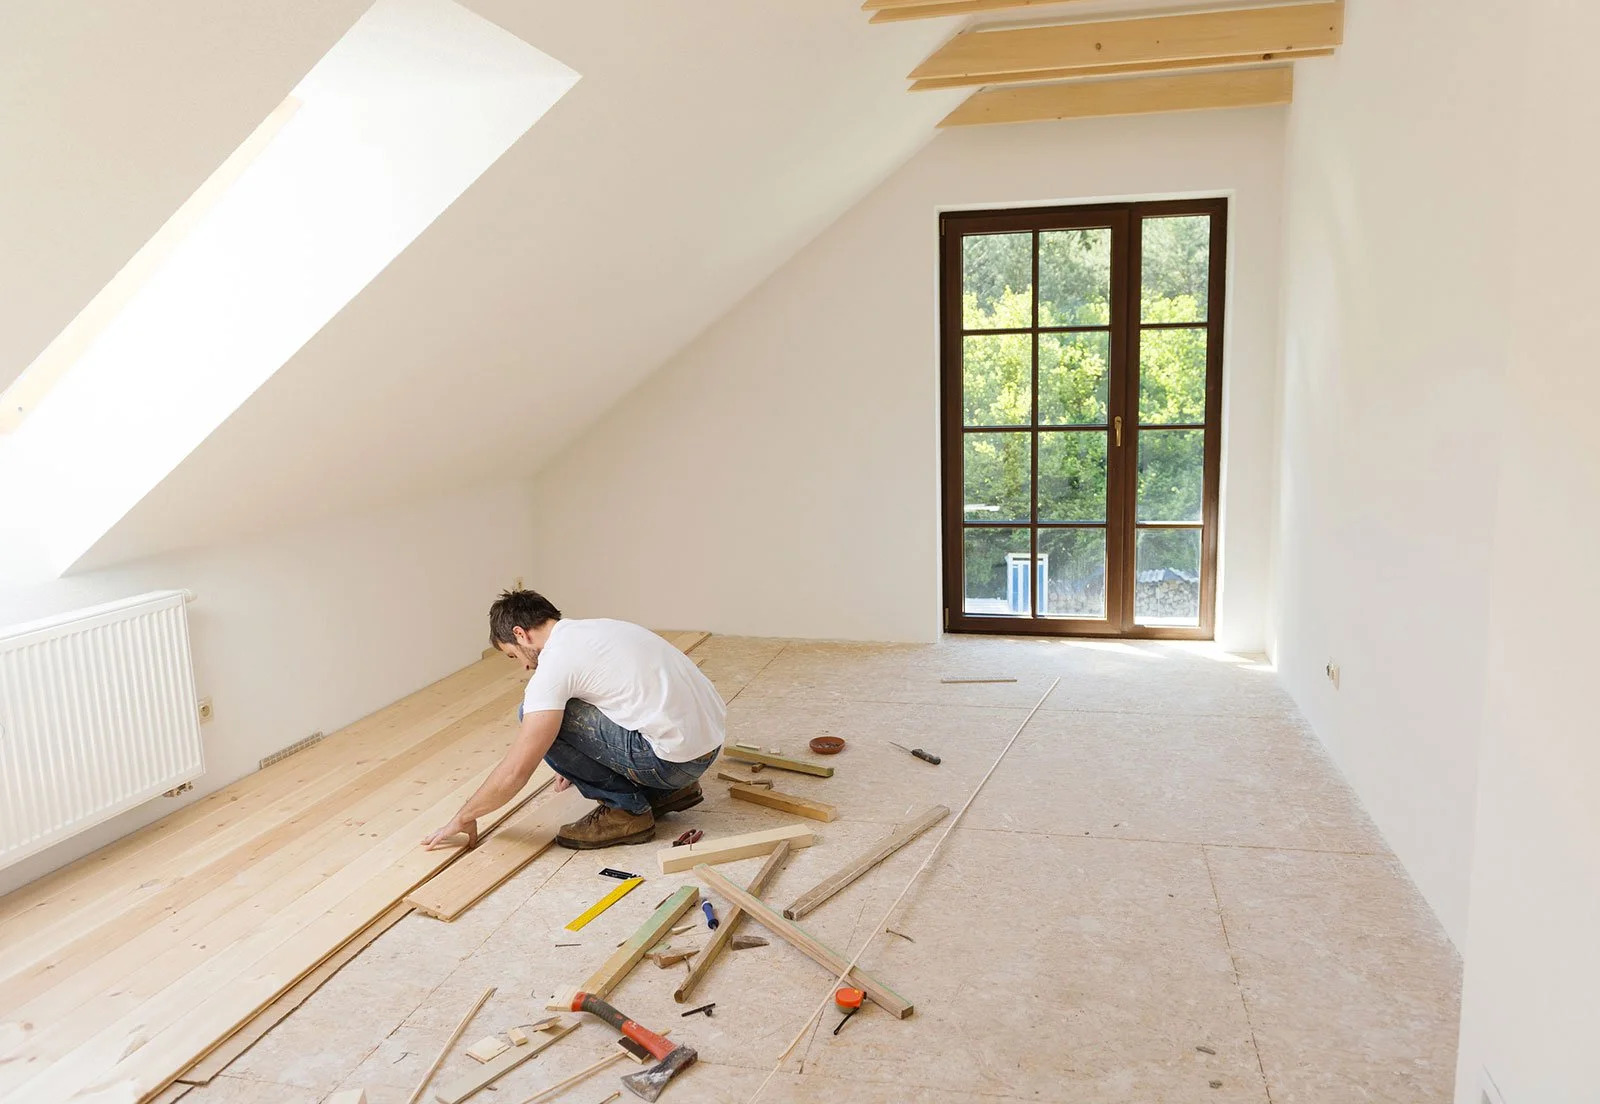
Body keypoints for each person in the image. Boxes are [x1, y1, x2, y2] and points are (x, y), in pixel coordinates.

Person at [422, 590, 723, 851]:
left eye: (514, 656)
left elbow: (516, 770)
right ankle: (671, 792)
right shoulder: (600, 629)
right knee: (556, 711)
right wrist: (580, 756)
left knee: (532, 712)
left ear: (519, 634)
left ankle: (627, 812)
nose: (525, 666)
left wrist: (464, 817)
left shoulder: (555, 663)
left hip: (671, 765)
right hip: (706, 749)